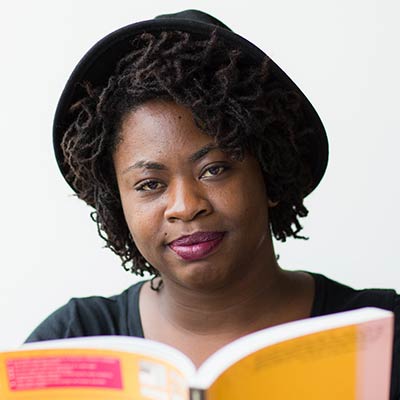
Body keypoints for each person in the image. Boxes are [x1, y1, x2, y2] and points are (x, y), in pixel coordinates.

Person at [26, 9, 399, 398]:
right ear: (118, 204)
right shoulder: (72, 342)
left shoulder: (384, 333)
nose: (185, 206)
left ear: (269, 174)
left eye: (214, 170)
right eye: (150, 184)